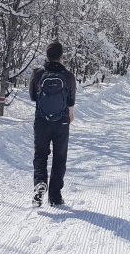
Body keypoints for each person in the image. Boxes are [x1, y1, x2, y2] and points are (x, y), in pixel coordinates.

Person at [29, 42, 76, 207]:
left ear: (47, 56)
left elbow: (33, 98)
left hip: (42, 121)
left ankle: (40, 184)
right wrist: (69, 113)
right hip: (62, 121)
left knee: (40, 155)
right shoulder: (68, 76)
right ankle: (55, 196)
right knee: (59, 157)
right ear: (62, 56)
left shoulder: (38, 74)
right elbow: (71, 100)